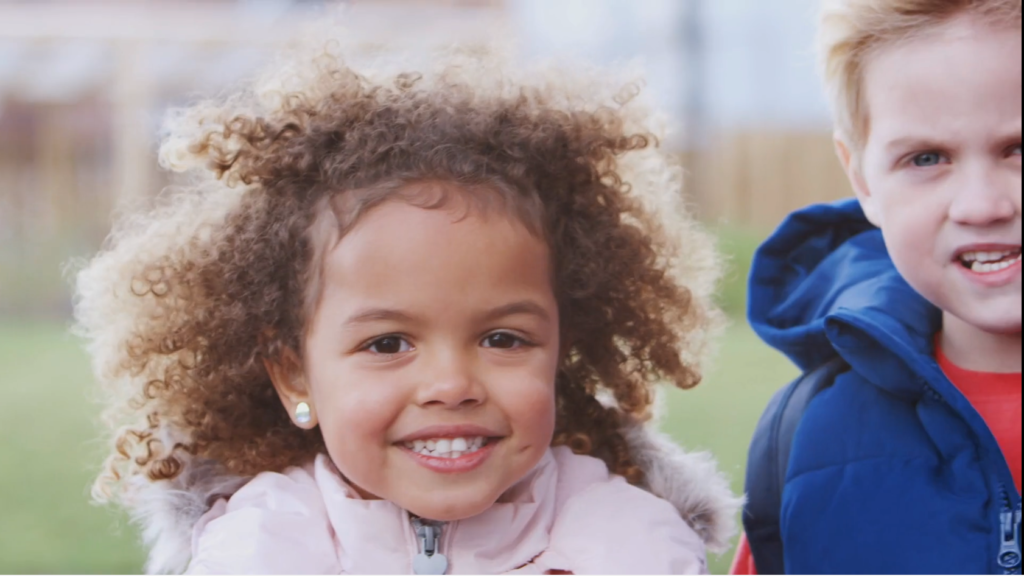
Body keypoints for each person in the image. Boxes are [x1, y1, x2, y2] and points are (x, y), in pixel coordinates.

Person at [73, 40, 741, 574]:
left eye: (504, 338)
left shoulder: (630, 545)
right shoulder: (259, 546)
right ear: (294, 375)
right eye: (388, 344)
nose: (450, 385)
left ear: (561, 349)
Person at [733, 0, 1022, 573]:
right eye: (926, 158)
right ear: (862, 178)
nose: (983, 204)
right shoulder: (805, 439)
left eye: (1018, 149)